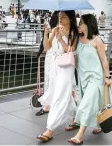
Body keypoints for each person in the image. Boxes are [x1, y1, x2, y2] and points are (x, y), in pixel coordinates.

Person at [68, 14, 111, 145]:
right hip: (83, 77)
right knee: (93, 102)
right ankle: (98, 124)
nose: (79, 25)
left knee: (86, 103)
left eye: (81, 23)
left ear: (88, 25)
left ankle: (80, 135)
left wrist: (108, 77)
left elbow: (104, 60)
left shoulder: (97, 40)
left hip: (95, 77)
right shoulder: (78, 39)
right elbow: (76, 60)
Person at [37, 11, 79, 142]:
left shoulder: (73, 32)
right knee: (62, 93)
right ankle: (75, 118)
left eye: (64, 17)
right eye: (60, 17)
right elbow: (47, 47)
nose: (60, 19)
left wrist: (61, 39)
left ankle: (49, 129)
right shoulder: (55, 29)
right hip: (56, 65)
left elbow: (70, 50)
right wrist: (45, 34)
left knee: (59, 95)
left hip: (67, 66)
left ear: (70, 18)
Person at [36, 11, 59, 116]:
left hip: (53, 57)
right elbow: (45, 44)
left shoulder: (55, 29)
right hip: (53, 57)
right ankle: (49, 104)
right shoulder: (52, 29)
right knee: (51, 80)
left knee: (50, 80)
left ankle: (49, 105)